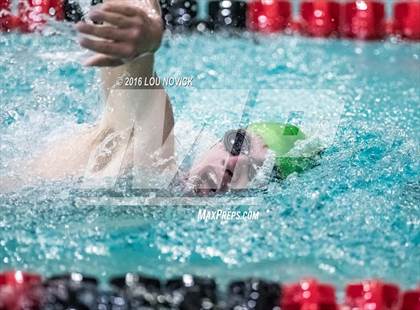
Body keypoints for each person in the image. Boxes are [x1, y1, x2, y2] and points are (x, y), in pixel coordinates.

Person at [2, 0, 319, 195]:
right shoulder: (154, 156)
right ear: (216, 140)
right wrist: (145, 34)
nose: (233, 164)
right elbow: (137, 97)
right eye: (238, 143)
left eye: (255, 170)